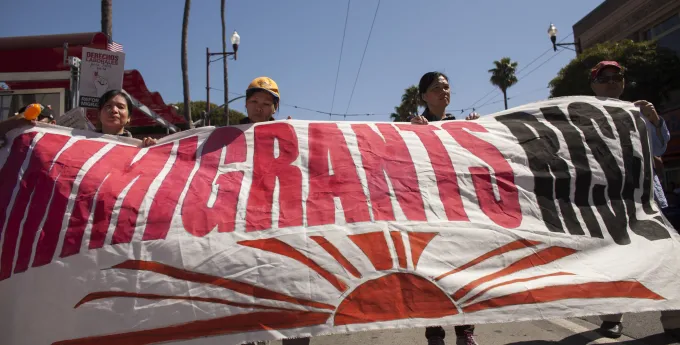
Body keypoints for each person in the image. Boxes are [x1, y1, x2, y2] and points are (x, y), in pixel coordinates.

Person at [588, 61, 680, 341]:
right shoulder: (584, 115)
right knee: (617, 259)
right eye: (605, 78)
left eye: (617, 77)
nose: (612, 82)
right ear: (593, 84)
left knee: (664, 258)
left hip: (650, 198)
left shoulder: (638, 112)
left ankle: (674, 319)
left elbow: (660, 147)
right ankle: (612, 318)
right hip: (612, 200)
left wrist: (653, 121)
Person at [411, 72, 479, 345]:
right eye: (436, 87)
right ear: (424, 96)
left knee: (467, 270)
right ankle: (435, 332)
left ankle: (465, 332)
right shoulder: (411, 125)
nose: (443, 91)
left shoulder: (461, 125)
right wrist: (411, 132)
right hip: (427, 211)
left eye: (446, 86)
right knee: (432, 273)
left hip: (462, 209)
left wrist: (476, 129)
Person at [240, 77, 308, 345]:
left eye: (266, 104)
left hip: (283, 224)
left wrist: (294, 136)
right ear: (246, 104)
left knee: (289, 288)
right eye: (254, 102)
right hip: (245, 224)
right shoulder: (227, 135)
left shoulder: (288, 134)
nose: (259, 108)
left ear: (274, 108)